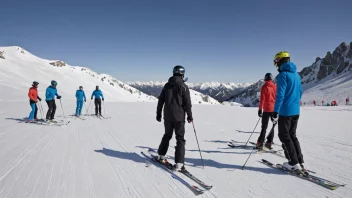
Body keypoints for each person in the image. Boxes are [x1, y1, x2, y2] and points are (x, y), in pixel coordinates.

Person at [271, 51, 305, 172]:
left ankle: (293, 162)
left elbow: (280, 95)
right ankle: (299, 160)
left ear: (279, 61)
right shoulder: (296, 74)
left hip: (286, 111)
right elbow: (300, 92)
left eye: (276, 61)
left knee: (284, 136)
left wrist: (275, 111)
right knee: (292, 135)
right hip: (296, 111)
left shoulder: (283, 75)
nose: (276, 64)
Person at [156, 65, 193, 171]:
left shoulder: (167, 85)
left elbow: (161, 101)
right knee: (180, 139)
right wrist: (190, 116)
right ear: (182, 74)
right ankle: (179, 163)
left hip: (167, 116)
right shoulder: (183, 86)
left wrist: (158, 114)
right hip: (179, 118)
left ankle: (161, 156)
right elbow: (187, 104)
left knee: (167, 135)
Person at [256, 73, 277, 150]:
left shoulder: (264, 86)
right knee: (272, 126)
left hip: (266, 109)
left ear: (265, 78)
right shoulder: (275, 86)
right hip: (274, 109)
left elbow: (262, 99)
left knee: (264, 127)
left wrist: (260, 109)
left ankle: (260, 143)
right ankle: (269, 142)